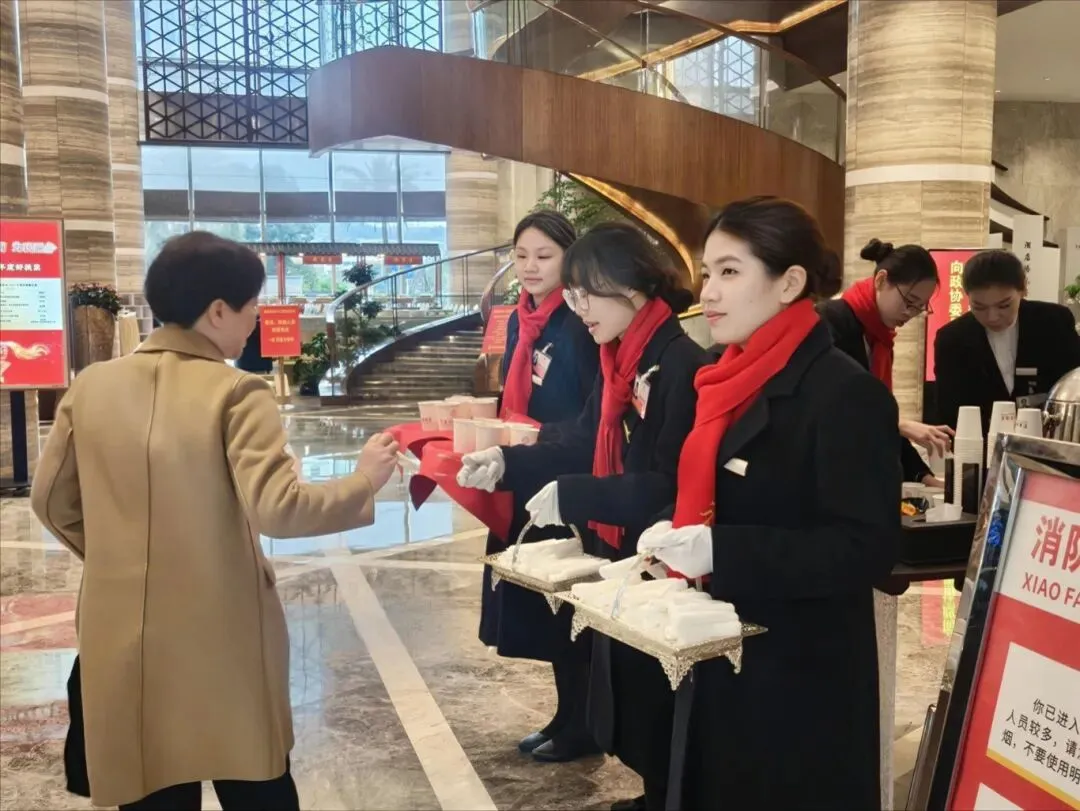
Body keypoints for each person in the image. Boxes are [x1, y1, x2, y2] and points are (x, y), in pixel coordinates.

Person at [31, 231, 401, 811]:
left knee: (150, 782)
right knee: (253, 777)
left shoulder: (91, 387)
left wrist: (120, 554)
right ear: (219, 310)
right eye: (252, 306)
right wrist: (364, 481)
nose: (256, 320)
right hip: (223, 627)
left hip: (119, 627)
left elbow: (52, 503)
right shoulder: (236, 392)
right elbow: (279, 507)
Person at [638, 197, 901, 808]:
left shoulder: (843, 394)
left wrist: (721, 550)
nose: (710, 291)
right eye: (708, 272)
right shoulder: (721, 375)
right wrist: (668, 536)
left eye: (730, 272)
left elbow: (865, 547)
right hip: (714, 653)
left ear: (789, 283)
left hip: (797, 678)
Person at [458, 222, 709, 809]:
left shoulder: (677, 364)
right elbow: (581, 435)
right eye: (572, 294)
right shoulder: (621, 358)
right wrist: (508, 461)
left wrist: (576, 495)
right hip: (621, 544)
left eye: (586, 293)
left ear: (631, 285)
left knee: (656, 687)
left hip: (661, 551)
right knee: (628, 678)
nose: (577, 308)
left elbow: (666, 485)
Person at [479, 210, 600, 763]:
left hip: (565, 474)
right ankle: (565, 714)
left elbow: (591, 413)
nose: (530, 267)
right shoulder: (520, 319)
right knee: (541, 603)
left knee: (567, 602)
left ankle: (585, 724)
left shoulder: (581, 320)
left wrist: (538, 440)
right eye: (521, 255)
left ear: (569, 260)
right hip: (525, 470)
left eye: (544, 256)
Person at [820, 238, 952, 485]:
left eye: (919, 307)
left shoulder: (880, 339)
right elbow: (831, 405)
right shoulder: (829, 321)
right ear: (881, 280)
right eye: (909, 301)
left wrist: (924, 477)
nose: (910, 313)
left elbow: (881, 413)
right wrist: (900, 424)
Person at [935, 249, 1080, 434]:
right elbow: (949, 412)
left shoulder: (1054, 322)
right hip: (981, 442)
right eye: (979, 307)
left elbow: (1073, 384)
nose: (992, 317)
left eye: (1004, 305)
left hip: (1048, 438)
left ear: (1023, 288)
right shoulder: (952, 338)